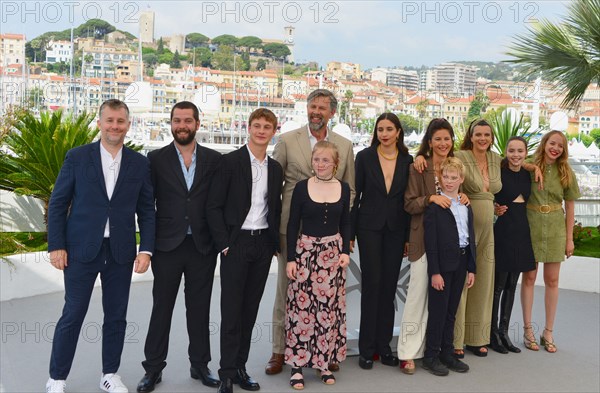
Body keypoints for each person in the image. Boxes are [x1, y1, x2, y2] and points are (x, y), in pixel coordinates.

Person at [46, 99, 155, 393]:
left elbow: (146, 210)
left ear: (128, 125)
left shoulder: (139, 163)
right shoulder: (77, 157)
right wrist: (56, 245)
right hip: (81, 250)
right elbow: (58, 204)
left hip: (120, 252)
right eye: (109, 121)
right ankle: (56, 378)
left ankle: (110, 374)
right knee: (73, 313)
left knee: (116, 316)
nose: (115, 126)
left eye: (120, 121)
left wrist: (146, 249)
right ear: (100, 123)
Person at [266, 89, 355, 375]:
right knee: (287, 293)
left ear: (332, 112)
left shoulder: (344, 145)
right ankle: (280, 351)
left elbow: (349, 193)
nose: (315, 112)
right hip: (290, 231)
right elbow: (273, 187)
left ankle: (324, 351)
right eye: (312, 106)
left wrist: (343, 233)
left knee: (327, 297)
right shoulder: (287, 141)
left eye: (322, 108)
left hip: (329, 237)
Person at [137, 101, 222, 393]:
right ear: (170, 123)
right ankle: (153, 369)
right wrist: (146, 246)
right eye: (177, 120)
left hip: (202, 246)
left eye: (188, 120)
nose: (182, 125)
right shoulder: (155, 159)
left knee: (199, 310)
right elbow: (147, 206)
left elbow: (219, 204)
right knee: (162, 308)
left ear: (198, 124)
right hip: (167, 246)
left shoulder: (214, 159)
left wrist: (222, 242)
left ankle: (200, 365)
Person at [206, 108, 283, 393]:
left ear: (274, 131)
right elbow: (213, 206)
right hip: (235, 245)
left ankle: (240, 368)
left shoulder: (275, 168)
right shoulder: (230, 162)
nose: (261, 131)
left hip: (262, 244)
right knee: (231, 311)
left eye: (267, 127)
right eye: (257, 125)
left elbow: (273, 207)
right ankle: (225, 373)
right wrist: (224, 243)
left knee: (250, 311)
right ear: (249, 128)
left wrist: (274, 244)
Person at [398, 118, 468, 375]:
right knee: (417, 298)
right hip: (424, 241)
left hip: (450, 247)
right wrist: (431, 198)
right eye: (437, 139)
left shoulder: (455, 166)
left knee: (443, 304)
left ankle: (436, 351)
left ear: (452, 141)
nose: (442, 143)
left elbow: (461, 194)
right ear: (429, 141)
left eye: (446, 138)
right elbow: (409, 204)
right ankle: (407, 353)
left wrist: (463, 195)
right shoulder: (420, 166)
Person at [285, 141, 351, 389]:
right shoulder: (302, 188)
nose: (320, 164)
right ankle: (297, 365)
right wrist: (291, 258)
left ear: (336, 163)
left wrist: (344, 251)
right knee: (301, 311)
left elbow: (346, 222)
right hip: (306, 253)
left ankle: (323, 362)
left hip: (332, 256)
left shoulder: (343, 188)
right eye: (316, 159)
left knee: (327, 312)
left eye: (325, 160)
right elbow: (292, 224)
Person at [351, 113, 413, 369]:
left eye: (389, 129)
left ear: (398, 132)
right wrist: (350, 233)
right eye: (380, 129)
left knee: (389, 287)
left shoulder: (409, 160)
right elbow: (356, 195)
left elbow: (409, 200)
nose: (384, 134)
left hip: (397, 229)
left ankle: (383, 346)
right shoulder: (364, 157)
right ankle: (366, 348)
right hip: (368, 228)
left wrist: (409, 237)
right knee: (372, 284)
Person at [520, 130, 580, 353]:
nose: (556, 148)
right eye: (552, 143)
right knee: (529, 277)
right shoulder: (529, 165)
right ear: (545, 143)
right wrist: (530, 166)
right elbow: (511, 162)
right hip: (531, 224)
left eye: (560, 146)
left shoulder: (566, 172)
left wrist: (569, 239)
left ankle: (548, 332)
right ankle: (527, 330)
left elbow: (571, 206)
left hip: (556, 226)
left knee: (552, 280)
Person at [422, 157, 476, 376]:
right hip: (443, 265)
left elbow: (470, 238)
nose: (450, 181)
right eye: (446, 177)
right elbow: (431, 242)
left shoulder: (466, 204)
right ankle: (431, 356)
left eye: (454, 177)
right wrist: (434, 272)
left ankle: (447, 353)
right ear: (439, 178)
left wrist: (471, 268)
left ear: (461, 179)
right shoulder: (436, 206)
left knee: (451, 311)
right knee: (438, 311)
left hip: (462, 262)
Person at [490, 137, 536, 354]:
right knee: (498, 286)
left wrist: (533, 166)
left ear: (526, 152)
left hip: (521, 230)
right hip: (503, 231)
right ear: (505, 152)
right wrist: (493, 207)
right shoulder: (498, 172)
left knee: (511, 286)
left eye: (519, 151)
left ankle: (504, 332)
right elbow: (486, 193)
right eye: (511, 150)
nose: (515, 154)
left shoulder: (529, 173)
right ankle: (491, 334)